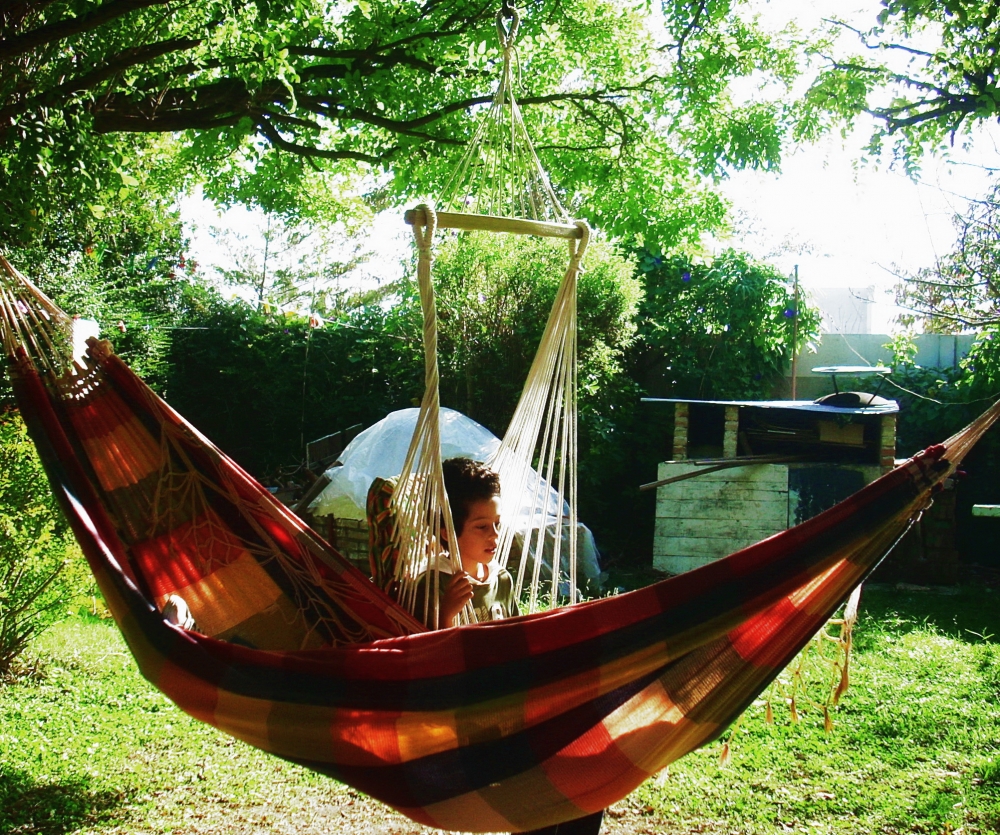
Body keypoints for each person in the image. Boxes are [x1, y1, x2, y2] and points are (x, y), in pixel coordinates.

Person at [417, 457, 519, 628]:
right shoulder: (432, 585)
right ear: (448, 533)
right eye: (482, 527)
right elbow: (429, 650)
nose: (495, 535)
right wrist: (446, 615)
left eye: (497, 524)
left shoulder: (501, 579)